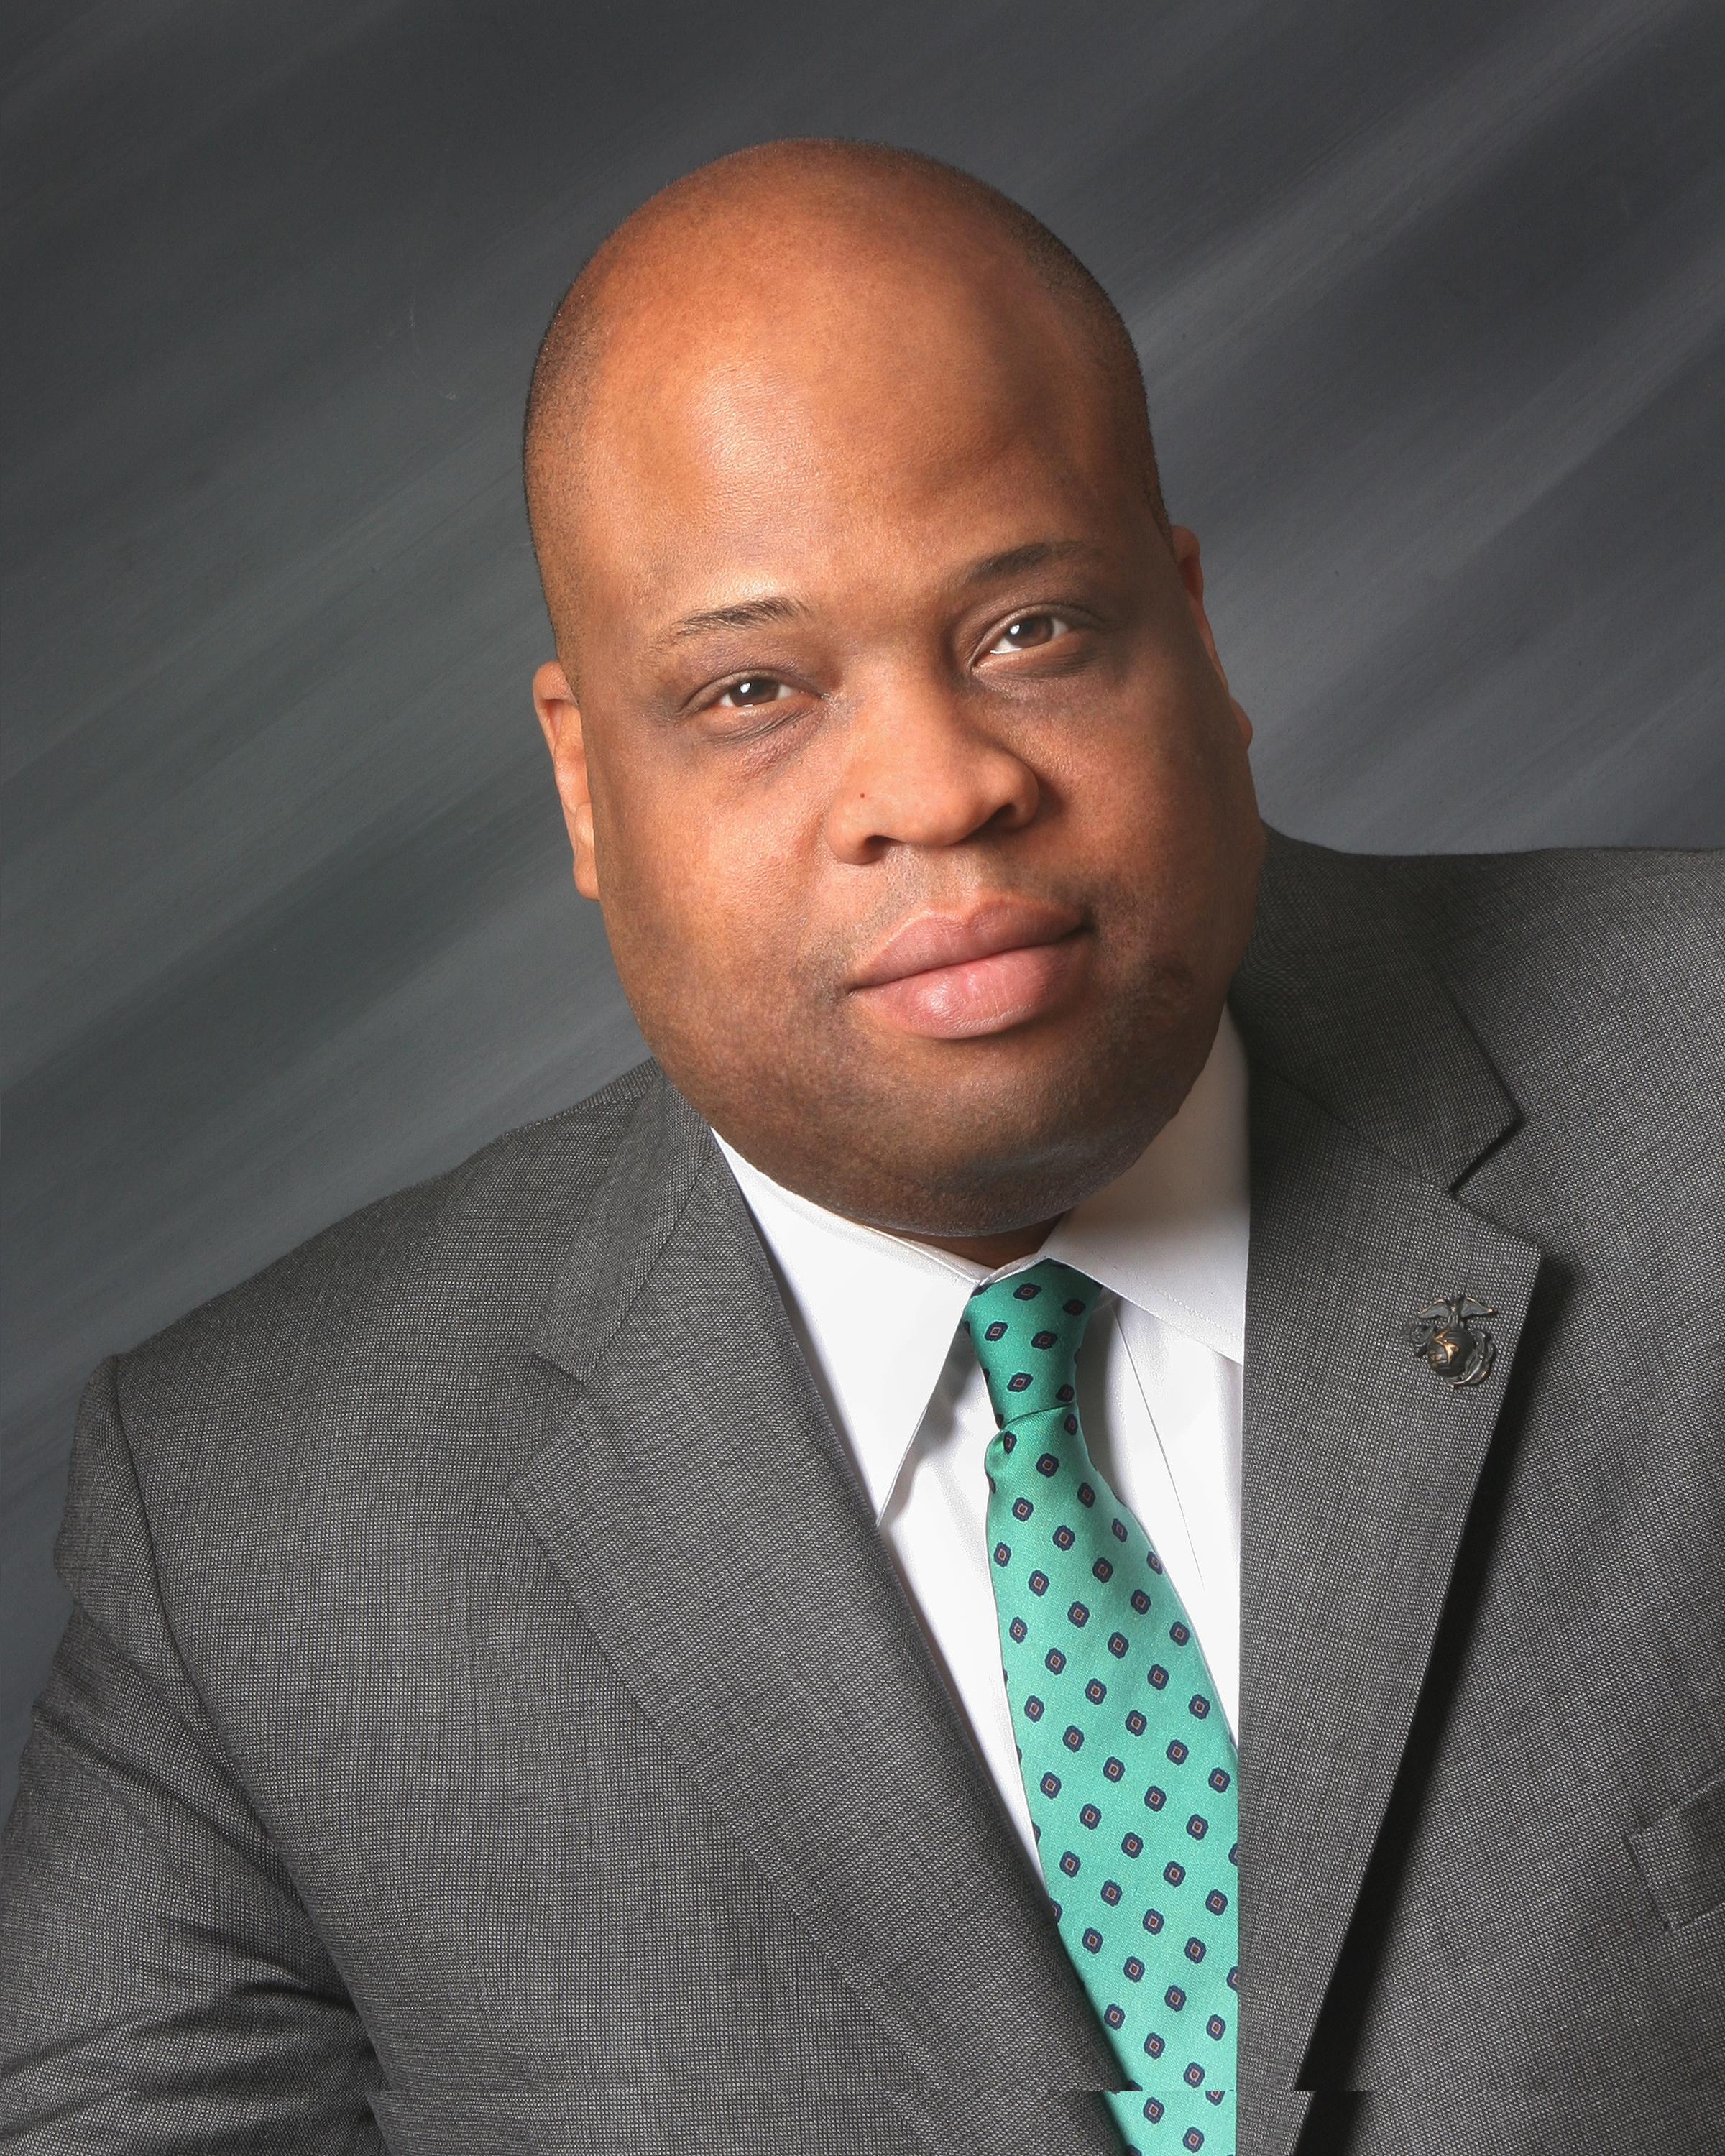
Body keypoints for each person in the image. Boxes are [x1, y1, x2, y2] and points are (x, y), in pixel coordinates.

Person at [1, 137, 1719, 2156]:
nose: (936, 785)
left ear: (1194, 634)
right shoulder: (259, 1526)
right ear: (585, 781)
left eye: (1030, 631)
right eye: (752, 689)